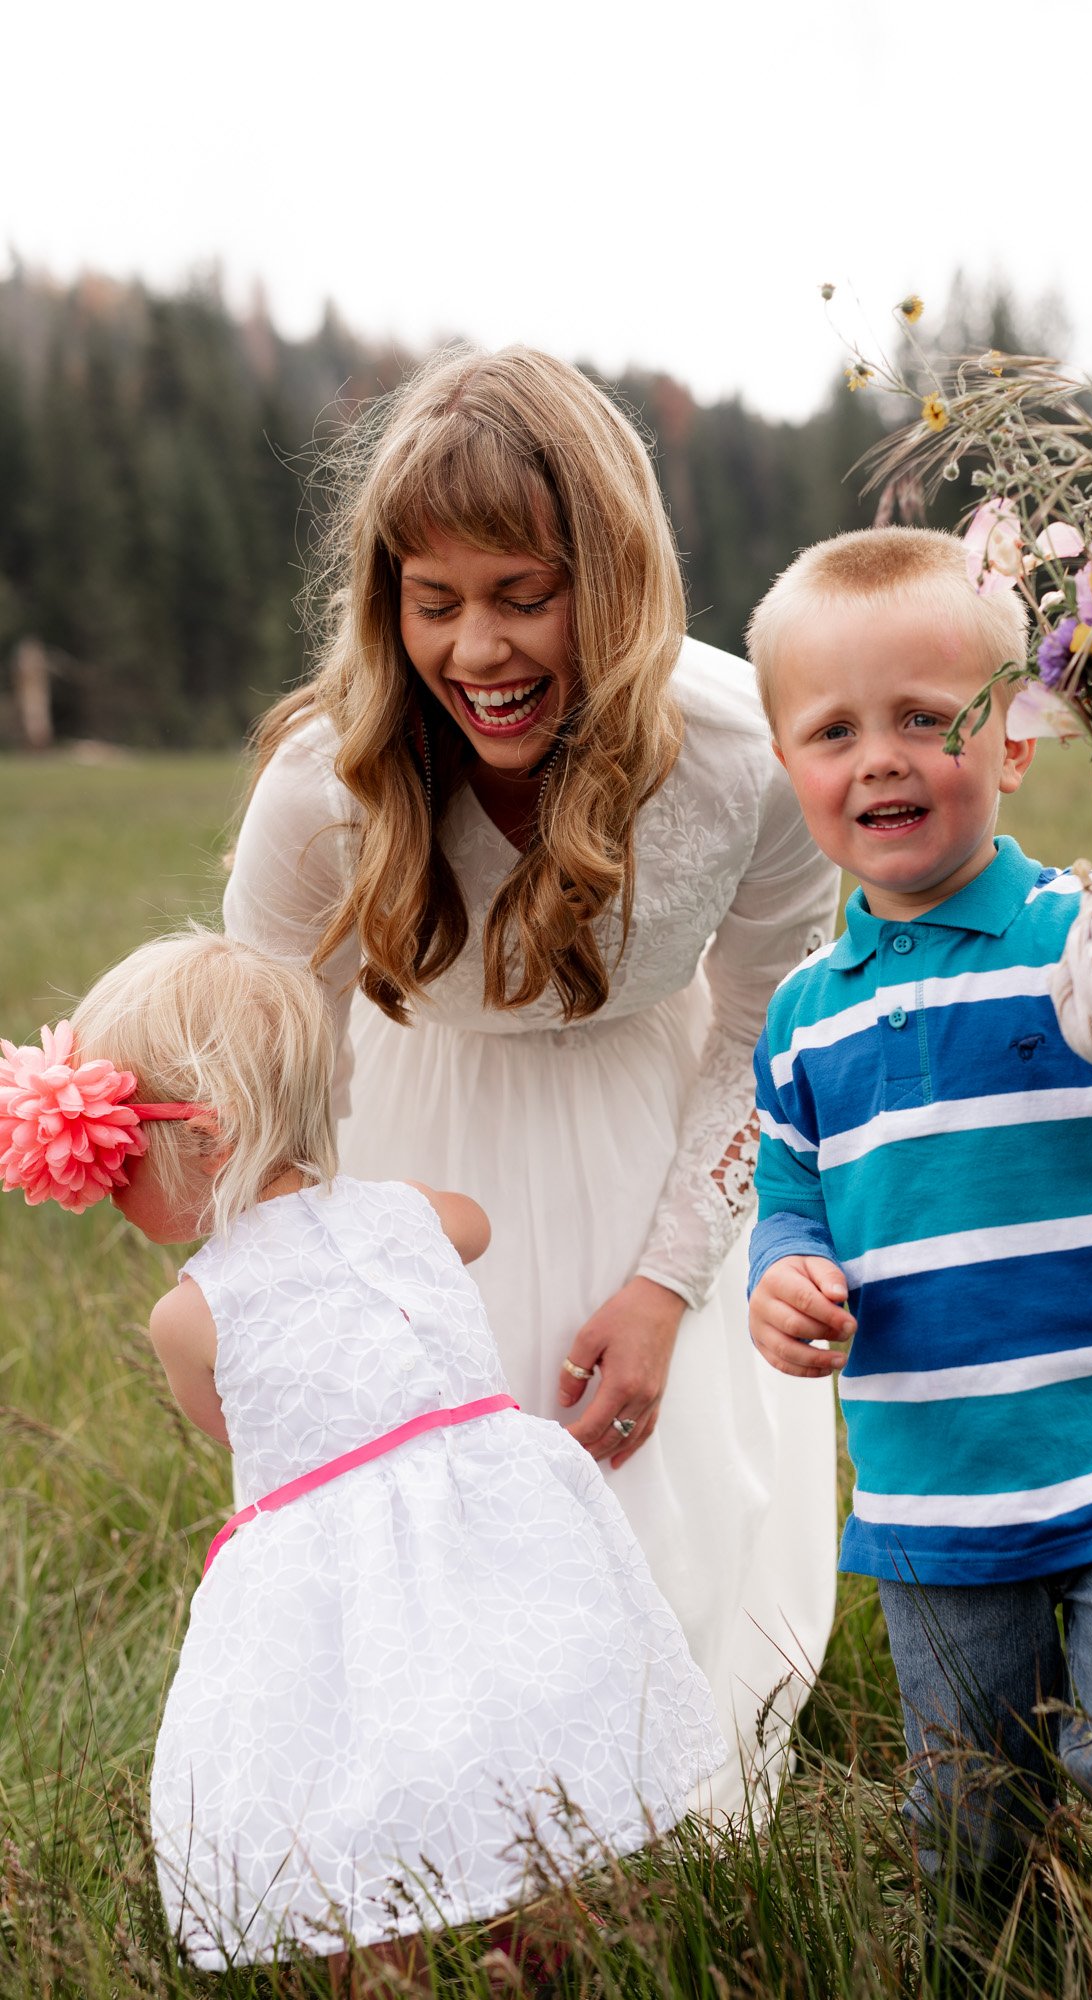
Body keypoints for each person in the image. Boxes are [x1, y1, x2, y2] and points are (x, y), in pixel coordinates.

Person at [223, 349, 840, 1815]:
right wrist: (311, 1287)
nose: (477, 647)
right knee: (433, 1546)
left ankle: (659, 1863)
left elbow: (765, 1032)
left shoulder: (748, 755)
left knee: (668, 1524)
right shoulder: (330, 779)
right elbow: (260, 1049)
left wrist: (665, 1283)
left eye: (522, 593)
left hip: (662, 1142)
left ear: (611, 579)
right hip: (415, 1164)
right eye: (434, 601)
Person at [0, 931, 723, 2000]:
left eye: (118, 1155)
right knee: (512, 1771)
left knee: (354, 1833)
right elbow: (475, 1223)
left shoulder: (191, 1317)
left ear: (208, 1136)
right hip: (495, 1554)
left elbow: (245, 1438)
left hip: (333, 1597)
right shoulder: (415, 1215)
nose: (99, 1186)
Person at [743, 527, 1092, 1908]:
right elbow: (787, 1197)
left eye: (927, 720)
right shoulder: (804, 1017)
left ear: (1018, 743)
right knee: (972, 1829)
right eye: (833, 730)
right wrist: (786, 1275)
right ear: (786, 763)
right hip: (934, 1477)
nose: (880, 757)